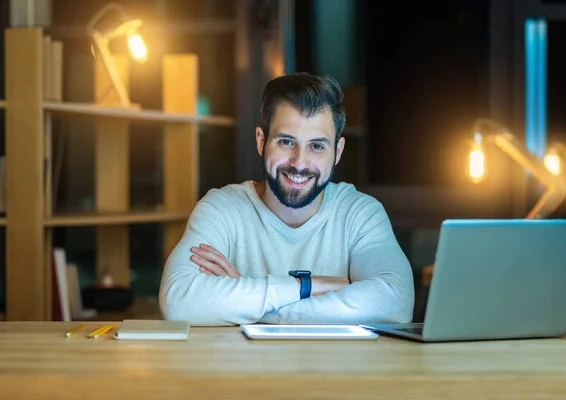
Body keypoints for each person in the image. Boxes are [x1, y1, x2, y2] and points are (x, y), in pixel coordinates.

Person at [159, 72, 414, 326]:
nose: (299, 163)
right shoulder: (221, 209)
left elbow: (396, 304)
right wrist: (308, 286)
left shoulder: (360, 213)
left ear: (337, 152)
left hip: (334, 367)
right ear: (261, 141)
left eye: (317, 146)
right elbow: (178, 302)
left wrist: (259, 310)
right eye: (286, 142)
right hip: (244, 367)